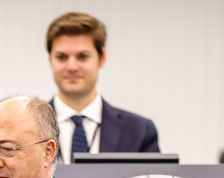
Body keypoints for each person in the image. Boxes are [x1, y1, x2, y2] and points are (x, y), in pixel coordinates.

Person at [46, 12, 159, 164]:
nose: (72, 67)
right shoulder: (25, 128)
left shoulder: (139, 131)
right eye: (62, 57)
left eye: (83, 57)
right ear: (50, 60)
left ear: (102, 58)